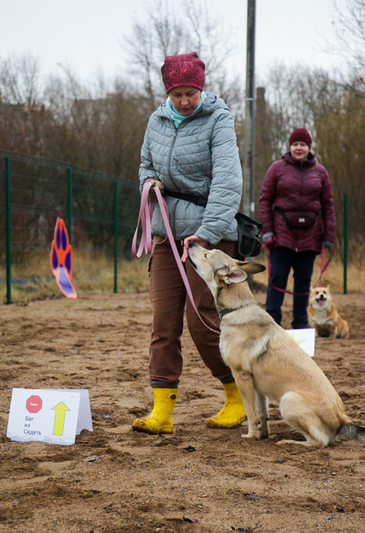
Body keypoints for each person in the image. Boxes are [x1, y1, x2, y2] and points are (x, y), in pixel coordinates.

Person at [133, 52, 245, 435]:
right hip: (166, 234)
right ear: (168, 92)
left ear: (201, 88)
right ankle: (161, 411)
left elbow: (228, 182)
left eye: (191, 93)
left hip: (208, 238)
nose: (184, 101)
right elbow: (146, 165)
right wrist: (149, 183)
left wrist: (207, 234)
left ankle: (237, 395)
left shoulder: (219, 119)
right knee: (163, 324)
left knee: (203, 320)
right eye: (177, 94)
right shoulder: (156, 120)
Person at [258, 127, 335, 329]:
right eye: (295, 144)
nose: (298, 148)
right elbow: (265, 200)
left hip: (310, 237)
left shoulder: (321, 172)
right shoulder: (276, 168)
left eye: (302, 144)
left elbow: (328, 205)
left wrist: (329, 235)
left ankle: (300, 323)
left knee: (303, 282)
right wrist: (267, 231)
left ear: (309, 147)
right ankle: (272, 323)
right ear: (289, 147)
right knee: (277, 280)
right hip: (280, 237)